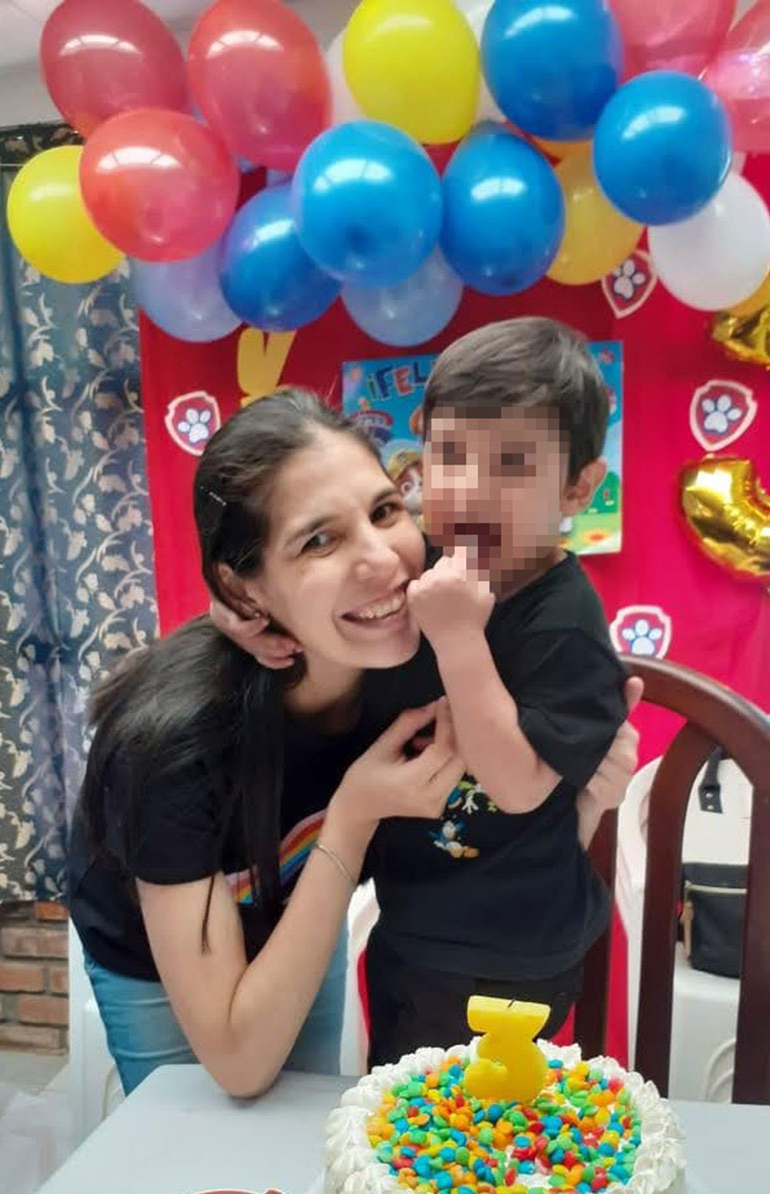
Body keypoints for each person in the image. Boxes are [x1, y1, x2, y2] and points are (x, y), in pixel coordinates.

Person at [71, 388, 640, 1099]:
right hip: (158, 951)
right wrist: (353, 814)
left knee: (301, 1115)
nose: (384, 559)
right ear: (242, 590)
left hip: (304, 896)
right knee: (193, 1134)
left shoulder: (434, 632)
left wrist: (580, 788)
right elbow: (238, 1062)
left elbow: (548, 611)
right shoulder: (175, 745)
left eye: (385, 510)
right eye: (319, 540)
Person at [218, 319, 635, 1069]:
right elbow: (312, 590)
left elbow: (515, 785)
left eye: (512, 464)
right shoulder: (420, 562)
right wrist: (239, 613)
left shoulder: (565, 621)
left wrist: (460, 639)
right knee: (402, 1092)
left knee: (474, 1118)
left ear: (579, 486)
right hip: (409, 919)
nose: (472, 487)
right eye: (449, 455)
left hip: (513, 944)